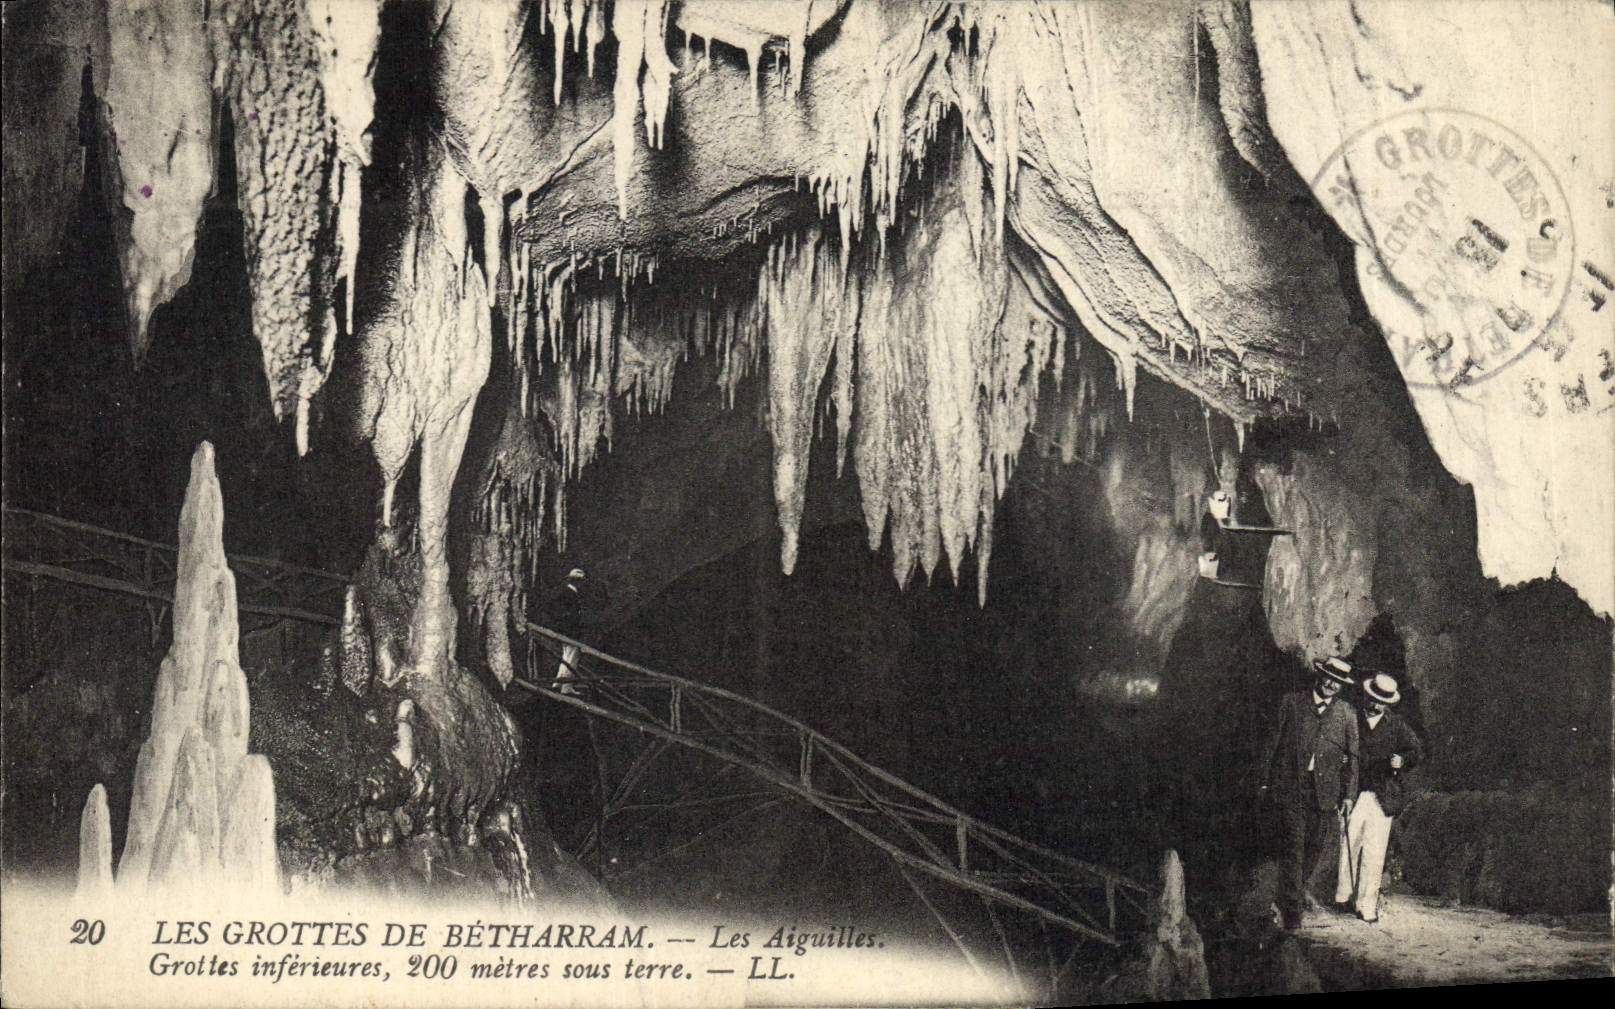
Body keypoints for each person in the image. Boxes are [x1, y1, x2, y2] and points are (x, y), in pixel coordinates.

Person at [1261, 656, 1360, 929]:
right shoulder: (1292, 703)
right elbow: (1271, 746)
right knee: (1293, 848)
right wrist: (1265, 782)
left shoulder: (1347, 714)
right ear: (1320, 675)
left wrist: (1348, 796)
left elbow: (1353, 761)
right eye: (1329, 677)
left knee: (1313, 850)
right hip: (1291, 788)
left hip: (1325, 795)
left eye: (1338, 682)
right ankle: (1292, 918)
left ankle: (1288, 897)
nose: (1331, 684)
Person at [1334, 672, 1422, 922]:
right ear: (1366, 695)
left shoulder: (1396, 726)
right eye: (1372, 698)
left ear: (1389, 703)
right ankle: (1343, 896)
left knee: (1374, 852)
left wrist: (1402, 760)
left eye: (1381, 701)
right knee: (1348, 843)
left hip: (1383, 796)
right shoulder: (1352, 719)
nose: (1375, 704)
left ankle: (1366, 905)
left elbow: (1416, 751)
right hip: (1355, 791)